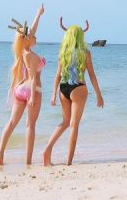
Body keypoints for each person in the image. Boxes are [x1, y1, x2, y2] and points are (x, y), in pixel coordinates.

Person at [42, 18, 104, 166]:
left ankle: (47, 149)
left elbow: (57, 75)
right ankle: (69, 162)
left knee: (65, 122)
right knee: (74, 125)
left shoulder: (63, 53)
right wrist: (99, 94)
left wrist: (53, 94)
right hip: (78, 88)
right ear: (80, 37)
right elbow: (92, 75)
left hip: (63, 89)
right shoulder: (86, 53)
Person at [0, 3, 46, 165]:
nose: (35, 35)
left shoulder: (21, 52)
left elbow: (32, 30)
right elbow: (32, 76)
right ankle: (28, 161)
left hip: (20, 90)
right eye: (32, 35)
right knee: (30, 125)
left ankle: (0, 155)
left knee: (11, 123)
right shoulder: (30, 55)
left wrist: (39, 14)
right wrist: (31, 96)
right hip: (33, 90)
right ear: (27, 39)